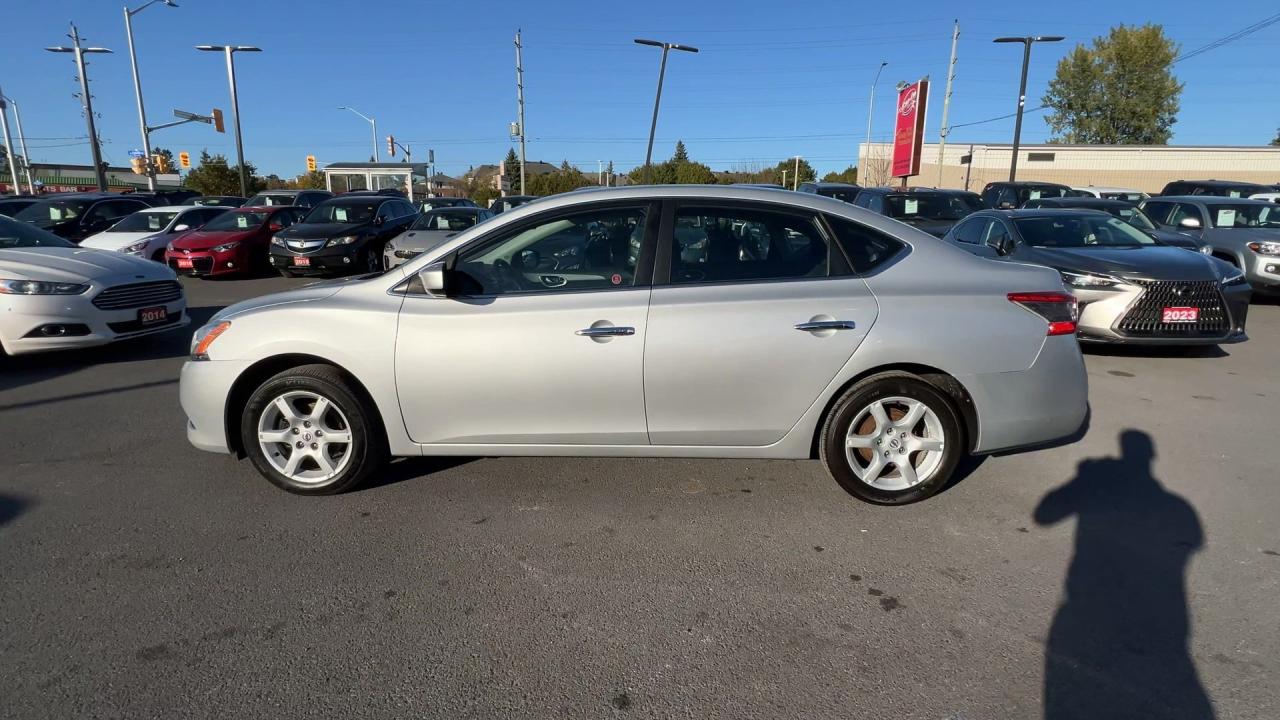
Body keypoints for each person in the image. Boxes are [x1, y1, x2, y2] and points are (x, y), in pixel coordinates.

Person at [1034, 430, 1214, 720]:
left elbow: (1043, 515)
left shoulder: (1098, 482)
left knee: (1075, 690)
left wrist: (1082, 481)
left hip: (1084, 607)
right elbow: (1189, 547)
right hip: (1166, 622)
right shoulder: (1180, 508)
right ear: (1152, 457)